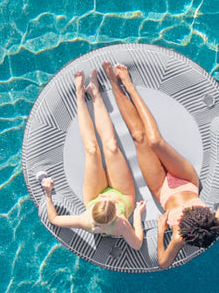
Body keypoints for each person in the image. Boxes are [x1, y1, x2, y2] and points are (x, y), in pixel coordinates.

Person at [103, 62, 219, 269]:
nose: (184, 212)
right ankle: (129, 86)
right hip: (186, 181)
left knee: (139, 137)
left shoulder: (179, 236)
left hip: (162, 191)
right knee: (155, 141)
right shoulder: (215, 220)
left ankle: (114, 83)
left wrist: (160, 230)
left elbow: (164, 263)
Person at [39, 71, 146, 249]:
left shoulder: (85, 220)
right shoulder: (120, 224)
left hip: (93, 195)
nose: (106, 197)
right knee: (111, 146)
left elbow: (54, 219)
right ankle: (95, 93)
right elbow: (137, 244)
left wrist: (48, 194)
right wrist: (136, 215)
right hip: (123, 194)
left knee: (92, 150)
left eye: (103, 200)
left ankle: (80, 96)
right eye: (108, 201)